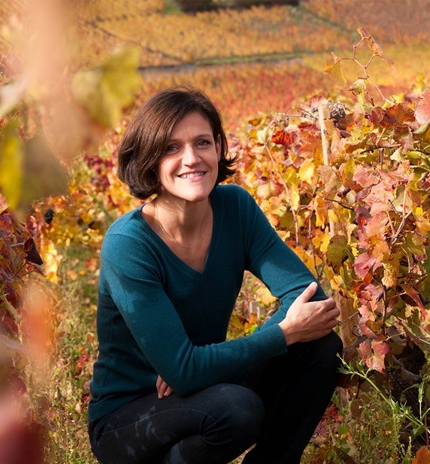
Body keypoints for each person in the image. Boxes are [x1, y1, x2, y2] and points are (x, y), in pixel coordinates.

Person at [87, 87, 343, 464]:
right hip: (127, 421)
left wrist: (195, 367)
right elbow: (186, 370)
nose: (191, 158)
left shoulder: (235, 208)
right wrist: (282, 333)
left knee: (319, 348)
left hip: (202, 388)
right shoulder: (129, 244)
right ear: (149, 160)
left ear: (220, 147)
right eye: (171, 148)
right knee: (235, 409)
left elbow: (309, 295)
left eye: (202, 142)